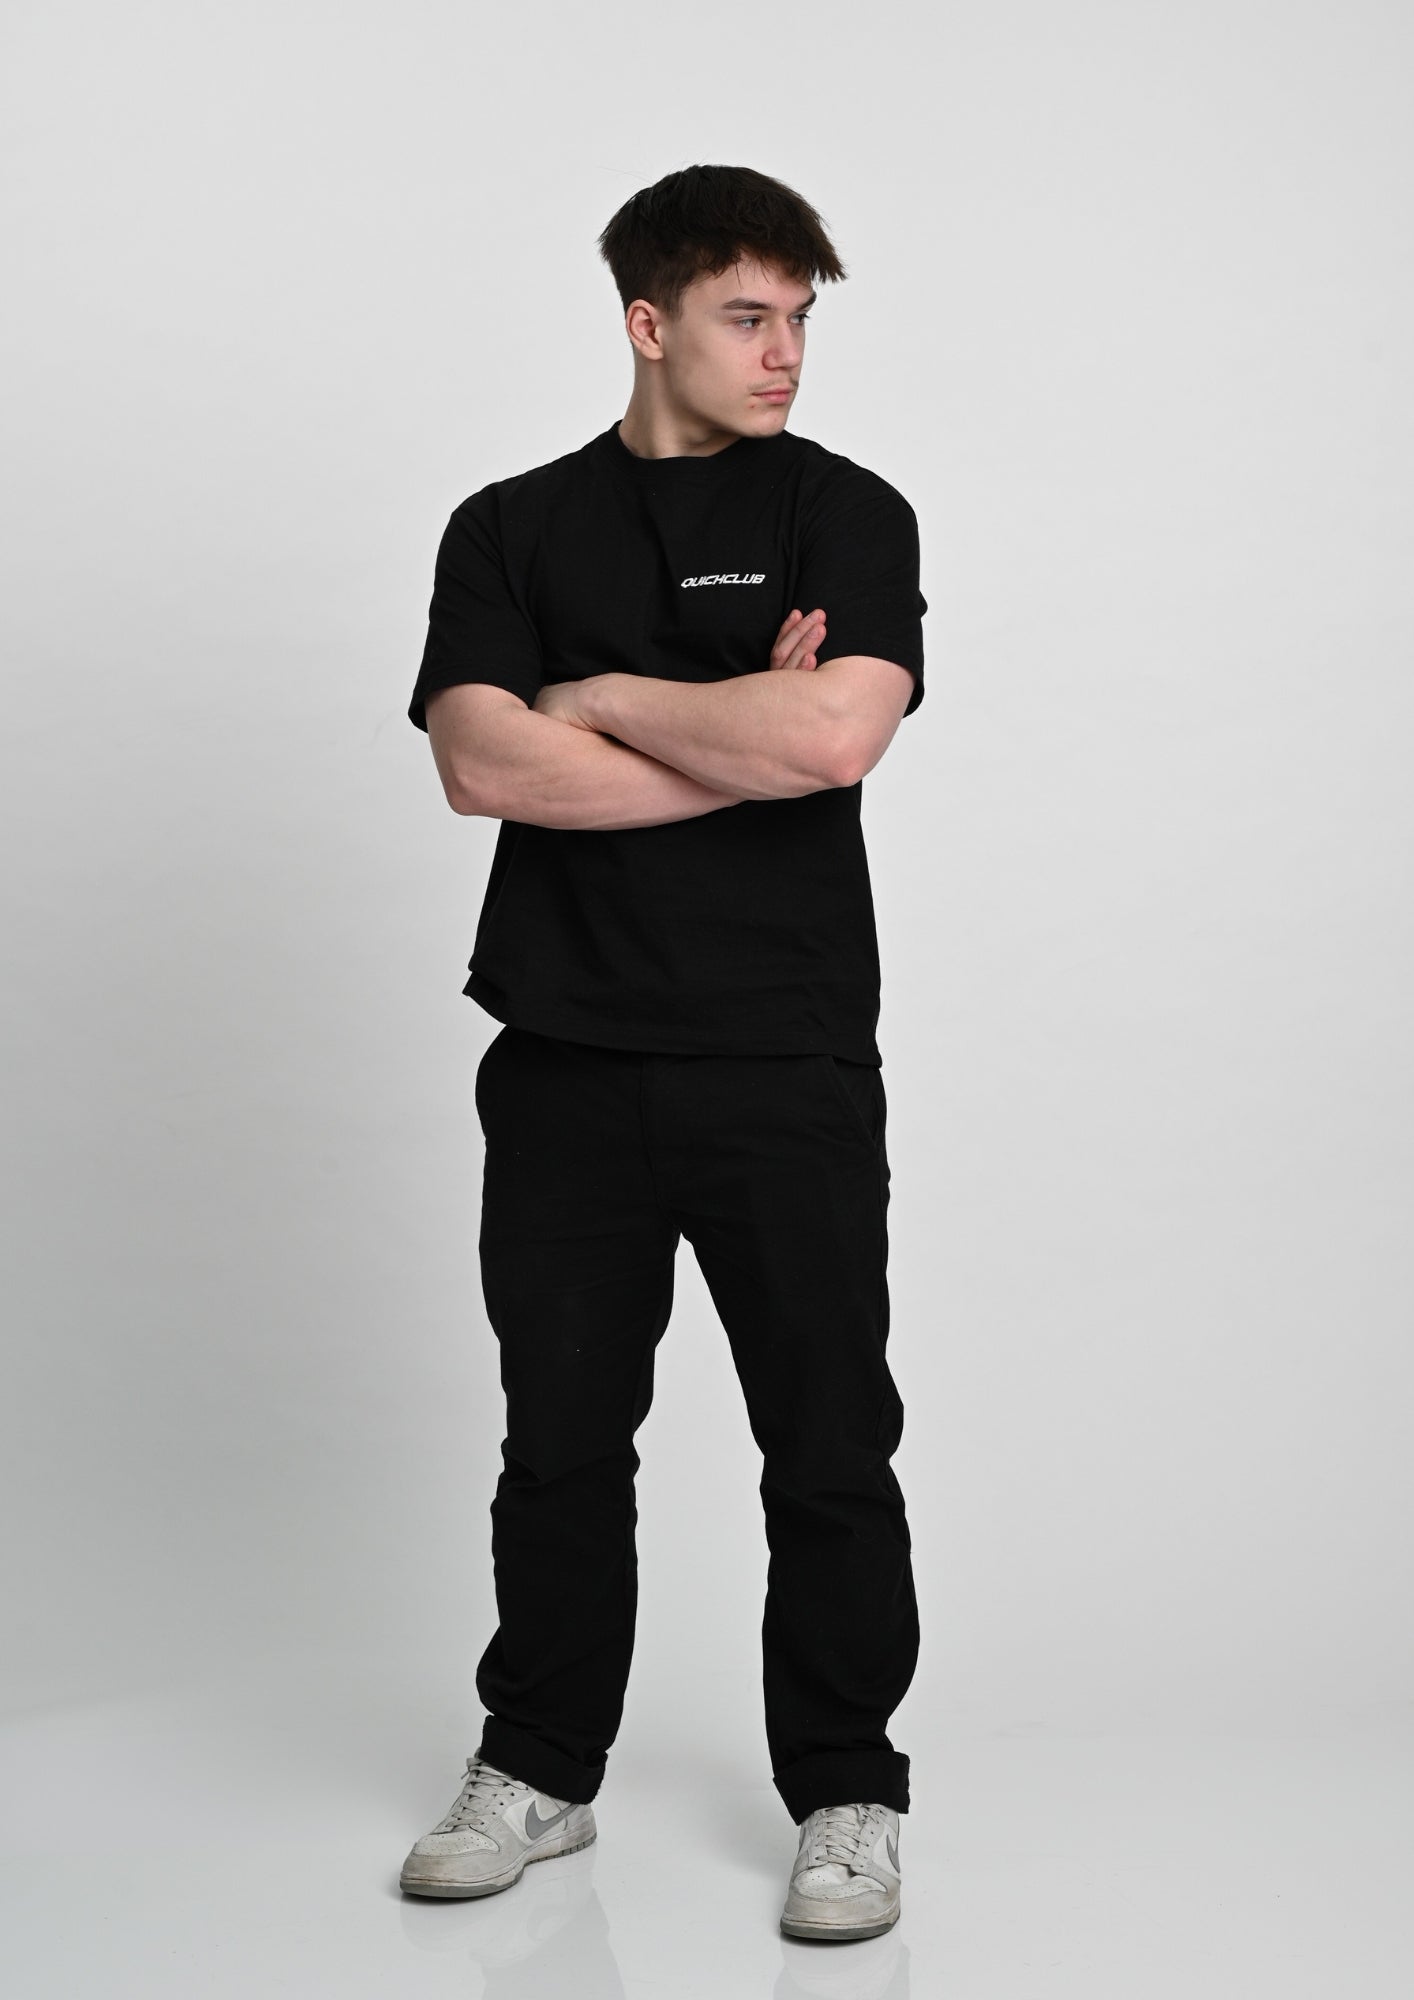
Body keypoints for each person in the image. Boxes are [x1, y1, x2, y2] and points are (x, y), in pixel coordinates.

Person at [398, 163, 926, 1944]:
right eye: (745, 317)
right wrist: (733, 725)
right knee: (558, 1438)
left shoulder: (846, 513)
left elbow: (832, 741)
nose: (785, 354)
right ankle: (538, 1766)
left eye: (799, 320)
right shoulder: (508, 527)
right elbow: (480, 765)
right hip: (563, 1055)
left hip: (783, 1054)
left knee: (828, 1442)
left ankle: (846, 1790)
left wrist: (605, 696)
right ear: (647, 321)